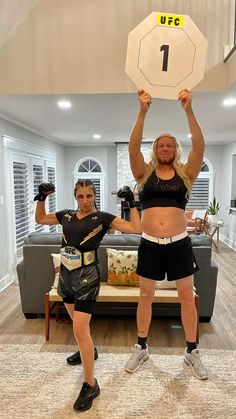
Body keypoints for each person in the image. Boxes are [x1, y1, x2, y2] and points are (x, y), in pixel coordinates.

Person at [34, 179, 141, 411]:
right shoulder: (66, 215)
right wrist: (41, 199)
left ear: (95, 196)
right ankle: (90, 350)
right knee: (77, 324)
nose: (85, 201)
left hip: (88, 277)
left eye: (89, 196)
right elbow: (40, 219)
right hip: (66, 275)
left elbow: (136, 229)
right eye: (81, 196)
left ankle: (90, 385)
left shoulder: (102, 218)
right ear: (75, 196)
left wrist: (132, 203)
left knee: (79, 329)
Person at [125, 88, 208, 380]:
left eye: (169, 145)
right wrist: (142, 111)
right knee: (145, 296)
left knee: (187, 298)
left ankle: (191, 351)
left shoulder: (186, 175)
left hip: (179, 245)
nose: (164, 148)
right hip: (149, 245)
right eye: (160, 145)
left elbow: (200, 146)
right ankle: (142, 346)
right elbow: (132, 149)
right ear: (155, 150)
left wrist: (188, 109)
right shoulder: (143, 174)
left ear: (175, 150)